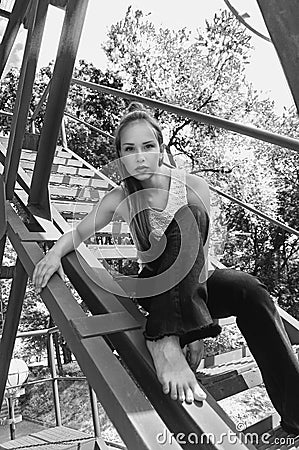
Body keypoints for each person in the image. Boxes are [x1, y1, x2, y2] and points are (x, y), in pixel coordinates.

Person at [32, 103, 299, 433]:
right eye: (129, 150)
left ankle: (295, 416)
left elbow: (200, 255)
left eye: (148, 146)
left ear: (161, 149)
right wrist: (54, 253)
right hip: (154, 289)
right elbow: (78, 232)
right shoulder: (120, 198)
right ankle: (163, 339)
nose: (140, 157)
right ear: (120, 157)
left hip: (192, 285)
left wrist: (200, 326)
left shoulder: (193, 186)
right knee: (186, 221)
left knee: (251, 290)